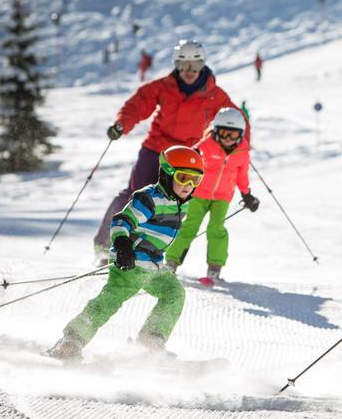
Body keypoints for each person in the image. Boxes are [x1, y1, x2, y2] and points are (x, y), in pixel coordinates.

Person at [47, 147, 206, 362]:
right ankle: (71, 342)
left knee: (174, 294)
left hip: (154, 265)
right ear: (167, 174)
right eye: (183, 177)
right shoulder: (149, 198)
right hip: (132, 262)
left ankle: (150, 341)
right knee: (110, 301)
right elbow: (122, 220)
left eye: (195, 180)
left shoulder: (180, 203)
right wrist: (122, 246)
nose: (188, 186)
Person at [94, 39, 243, 264]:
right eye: (184, 66)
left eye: (194, 66)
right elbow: (139, 103)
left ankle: (149, 254)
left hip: (188, 156)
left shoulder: (215, 95)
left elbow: (234, 119)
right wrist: (122, 123)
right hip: (156, 150)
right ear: (176, 65)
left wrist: (239, 144)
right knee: (135, 195)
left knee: (176, 205)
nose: (189, 71)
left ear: (202, 65)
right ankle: (106, 247)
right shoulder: (164, 86)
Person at [165, 107, 259, 285]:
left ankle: (214, 268)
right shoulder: (206, 145)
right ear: (215, 130)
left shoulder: (242, 152)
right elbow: (191, 160)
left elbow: (242, 175)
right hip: (199, 194)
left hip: (222, 197)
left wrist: (247, 195)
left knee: (216, 229)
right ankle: (171, 262)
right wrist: (192, 155)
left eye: (232, 135)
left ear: (240, 134)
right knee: (189, 227)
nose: (227, 139)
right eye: (224, 133)